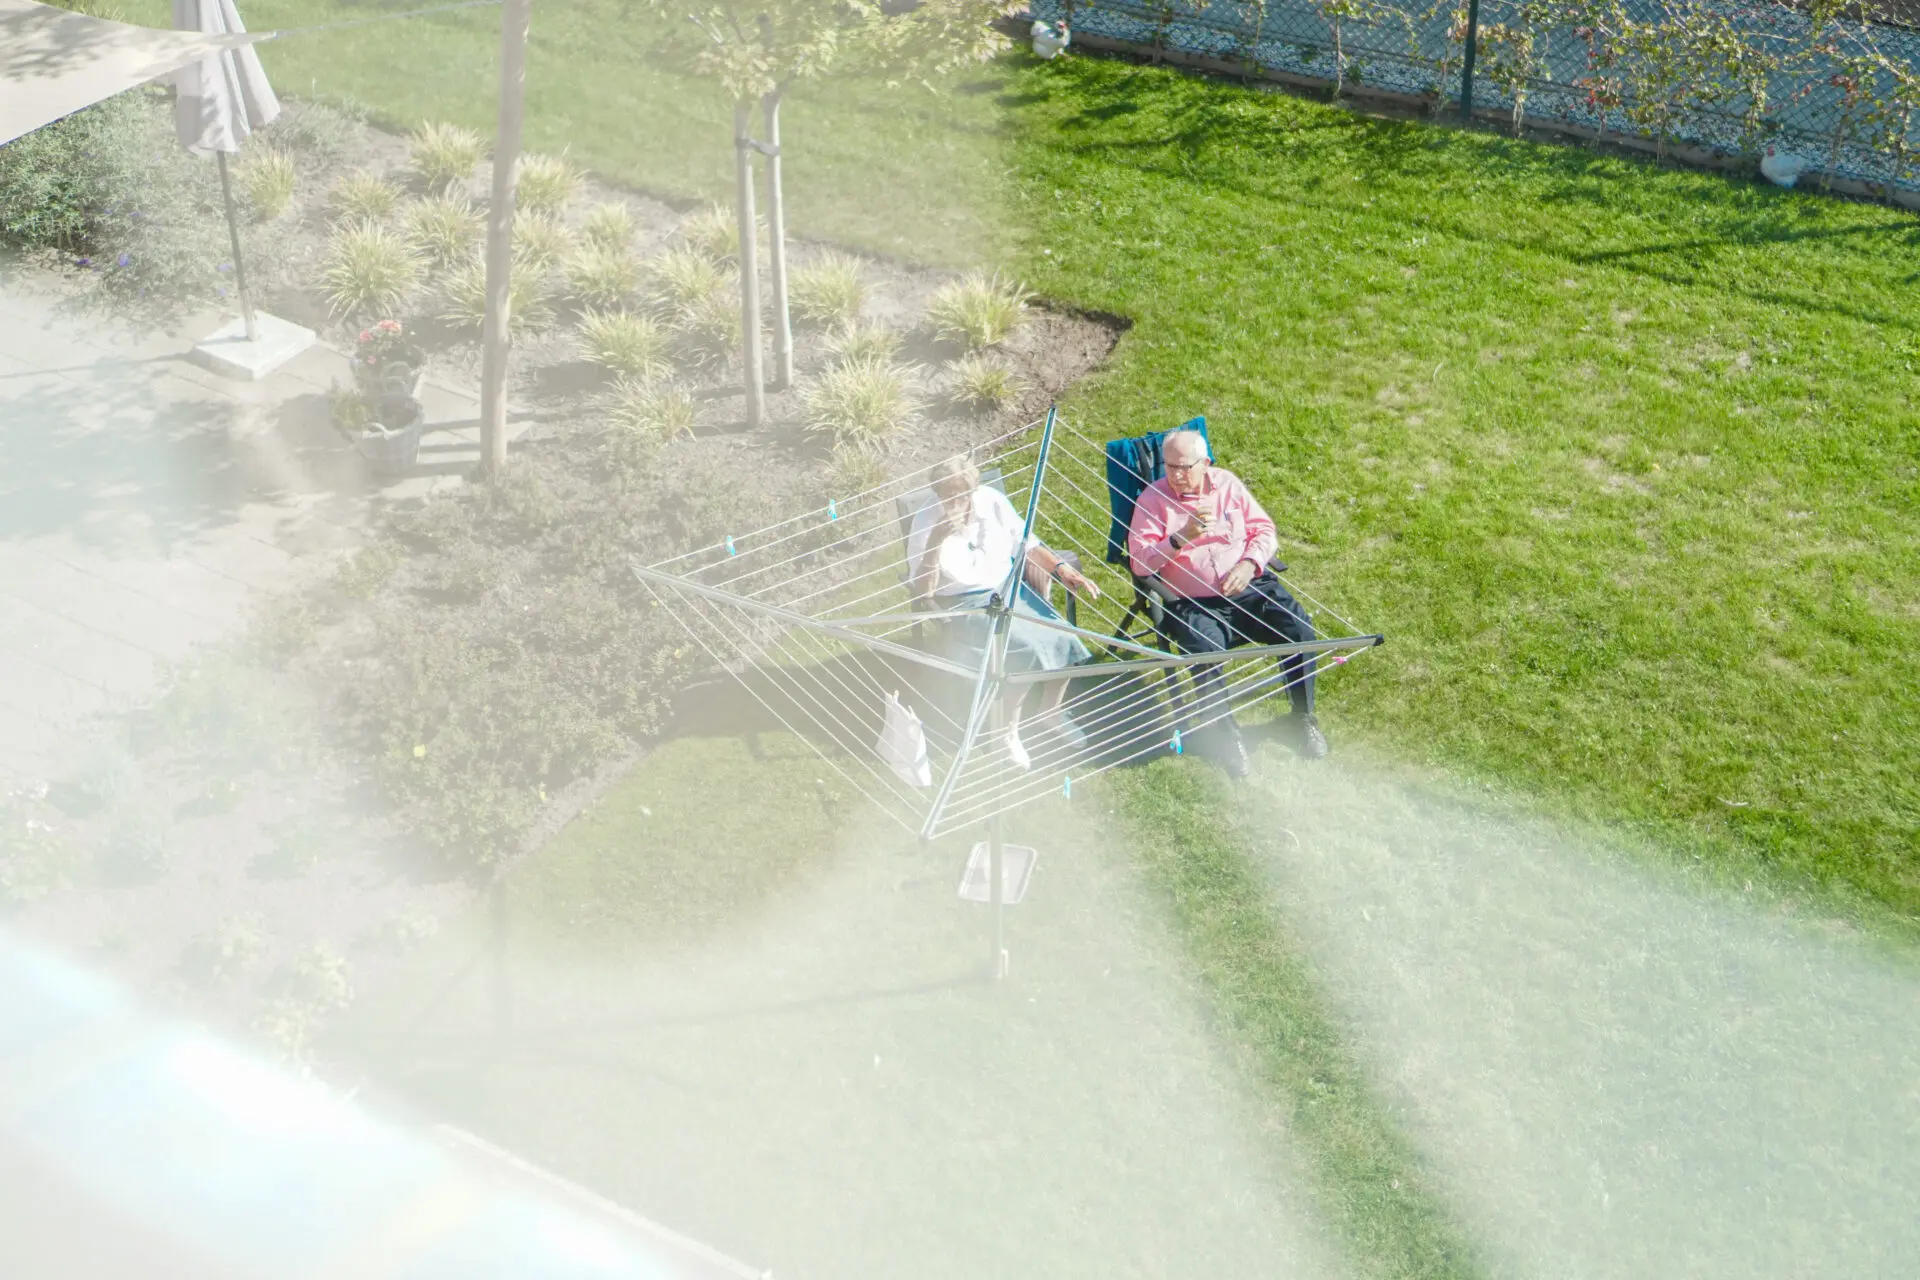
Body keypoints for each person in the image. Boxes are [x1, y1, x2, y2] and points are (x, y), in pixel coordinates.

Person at [1126, 428, 1329, 775]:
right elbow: (1139, 563)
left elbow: (1264, 530)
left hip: (1249, 588)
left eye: (1185, 467)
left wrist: (1249, 563)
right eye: (1170, 466)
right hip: (1195, 602)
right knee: (1205, 652)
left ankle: (1302, 718)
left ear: (1205, 463)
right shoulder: (1151, 500)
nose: (1176, 475)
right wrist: (1180, 538)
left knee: (1299, 630)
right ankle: (1225, 736)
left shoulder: (1228, 484)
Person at [909, 455, 1101, 770]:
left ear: (973, 489)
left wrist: (1062, 569)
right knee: (1024, 650)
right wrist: (936, 540)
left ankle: (1050, 712)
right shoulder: (926, 521)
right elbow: (922, 591)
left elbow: (1026, 544)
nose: (956, 501)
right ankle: (1005, 731)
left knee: (1063, 636)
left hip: (1008, 589)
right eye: (948, 494)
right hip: (964, 603)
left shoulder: (991, 501)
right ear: (937, 492)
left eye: (963, 493)